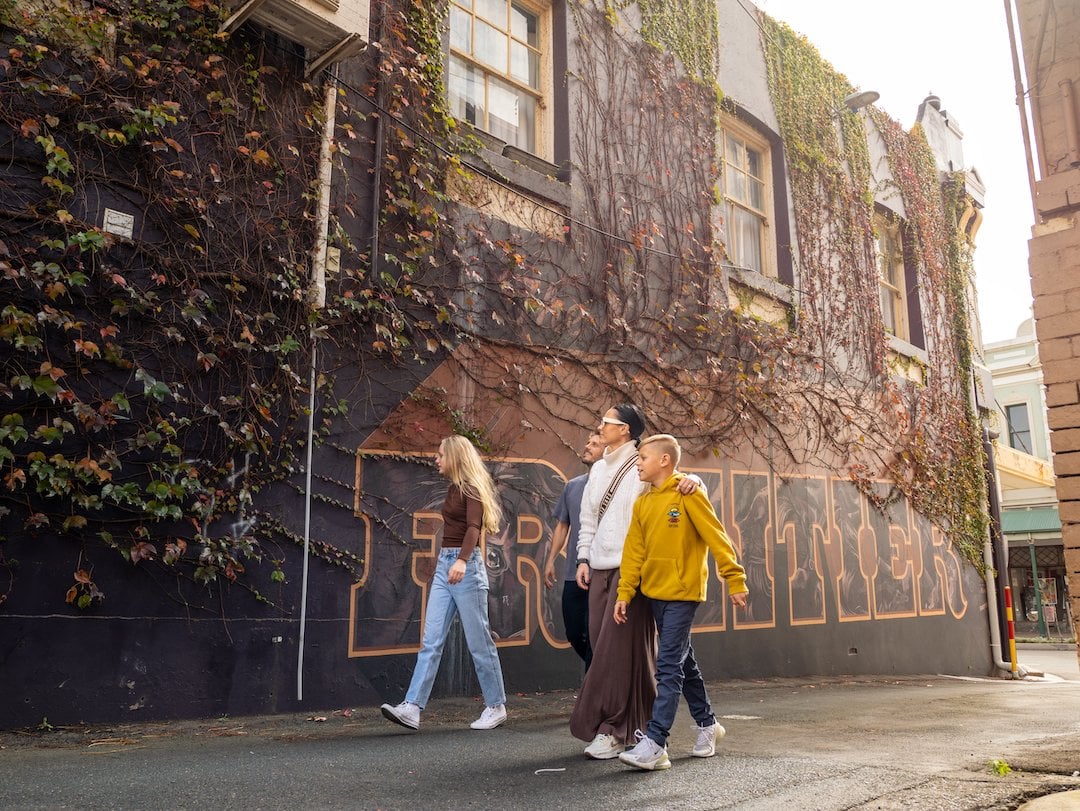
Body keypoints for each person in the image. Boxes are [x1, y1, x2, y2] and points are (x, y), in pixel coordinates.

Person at [569, 404, 701, 759]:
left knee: (616, 651)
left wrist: (696, 481)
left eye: (606, 422)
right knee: (607, 646)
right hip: (599, 566)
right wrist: (584, 557)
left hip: (634, 572)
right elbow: (587, 519)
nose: (600, 427)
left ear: (624, 429)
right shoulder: (598, 470)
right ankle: (645, 726)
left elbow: (676, 480)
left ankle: (613, 729)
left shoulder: (641, 463)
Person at [613, 434, 749, 771]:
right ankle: (708, 725)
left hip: (684, 594)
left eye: (643, 457)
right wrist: (625, 593)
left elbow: (717, 537)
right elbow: (634, 552)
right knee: (682, 662)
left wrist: (735, 579)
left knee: (668, 666)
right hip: (653, 595)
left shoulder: (688, 493)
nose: (638, 463)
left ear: (664, 460)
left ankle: (656, 743)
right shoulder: (643, 503)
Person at [380, 435, 508, 732]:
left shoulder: (472, 489)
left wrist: (462, 561)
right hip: (445, 567)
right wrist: (449, 561)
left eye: (440, 454)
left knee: (479, 643)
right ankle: (412, 707)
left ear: (455, 457)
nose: (436, 458)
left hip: (467, 568)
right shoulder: (454, 488)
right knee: (431, 640)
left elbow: (474, 528)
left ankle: (496, 705)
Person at [543, 432, 604, 669]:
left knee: (596, 633)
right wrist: (550, 560)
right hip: (573, 572)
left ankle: (593, 692)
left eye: (594, 444)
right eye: (587, 441)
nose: (587, 446)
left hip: (602, 572)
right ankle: (600, 676)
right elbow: (562, 526)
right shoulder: (573, 486)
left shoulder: (614, 488)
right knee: (575, 631)